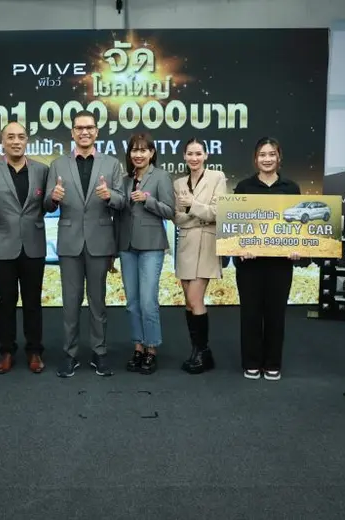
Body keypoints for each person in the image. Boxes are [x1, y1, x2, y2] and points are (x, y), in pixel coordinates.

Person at [43, 110, 125, 378]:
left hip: (100, 241)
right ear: (72, 132)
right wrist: (53, 198)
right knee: (70, 302)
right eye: (79, 128)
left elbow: (122, 201)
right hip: (69, 242)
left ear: (97, 131)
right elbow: (46, 204)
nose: (84, 132)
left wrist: (109, 195)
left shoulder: (111, 164)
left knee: (98, 301)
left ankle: (99, 352)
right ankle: (70, 354)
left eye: (89, 127)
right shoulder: (58, 164)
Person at [0, 122, 49, 374]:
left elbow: (47, 205)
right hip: (3, 245)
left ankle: (35, 351)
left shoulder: (42, 170)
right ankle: (6, 351)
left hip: (33, 245)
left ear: (27, 140)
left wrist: (55, 198)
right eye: (11, 137)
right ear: (2, 142)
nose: (16, 141)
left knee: (33, 301)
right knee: (6, 301)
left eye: (21, 137)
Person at [233, 137, 300, 381]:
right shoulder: (243, 187)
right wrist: (241, 247)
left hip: (280, 264)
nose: (267, 159)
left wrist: (296, 247)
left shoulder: (291, 188)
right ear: (255, 159)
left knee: (276, 314)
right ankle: (251, 362)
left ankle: (273, 363)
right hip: (250, 264)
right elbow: (236, 225)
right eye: (262, 154)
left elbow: (298, 227)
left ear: (279, 157)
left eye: (272, 154)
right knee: (250, 313)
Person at [117, 133, 175, 375]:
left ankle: (151, 349)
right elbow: (119, 212)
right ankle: (138, 347)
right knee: (132, 303)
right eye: (134, 150)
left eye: (143, 150)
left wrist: (148, 200)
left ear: (152, 153)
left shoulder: (161, 176)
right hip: (127, 246)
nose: (138, 155)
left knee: (148, 301)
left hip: (151, 245)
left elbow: (170, 211)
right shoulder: (124, 180)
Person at [173, 138, 227, 374]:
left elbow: (218, 212)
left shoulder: (217, 177)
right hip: (186, 244)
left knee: (196, 299)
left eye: (198, 153)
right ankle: (198, 351)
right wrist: (198, 215)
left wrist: (192, 205)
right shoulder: (178, 183)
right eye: (190, 154)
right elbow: (176, 217)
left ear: (206, 155)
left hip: (206, 244)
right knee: (188, 301)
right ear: (184, 157)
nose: (194, 158)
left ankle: (202, 351)